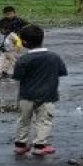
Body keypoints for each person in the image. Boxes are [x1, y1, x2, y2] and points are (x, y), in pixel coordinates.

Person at [11, 24, 68, 156]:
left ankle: (21, 145)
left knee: (23, 120)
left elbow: (17, 77)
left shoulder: (23, 59)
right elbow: (62, 72)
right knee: (44, 120)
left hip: (26, 95)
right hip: (48, 95)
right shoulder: (54, 57)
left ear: (24, 42)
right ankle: (40, 145)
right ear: (42, 38)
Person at [0, 5, 28, 78]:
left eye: (10, 14)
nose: (8, 16)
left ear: (14, 13)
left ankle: (7, 71)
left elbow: (28, 27)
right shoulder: (2, 21)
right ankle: (5, 71)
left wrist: (24, 38)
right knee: (7, 56)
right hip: (7, 41)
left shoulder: (19, 20)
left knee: (12, 57)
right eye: (6, 14)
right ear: (4, 14)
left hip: (17, 41)